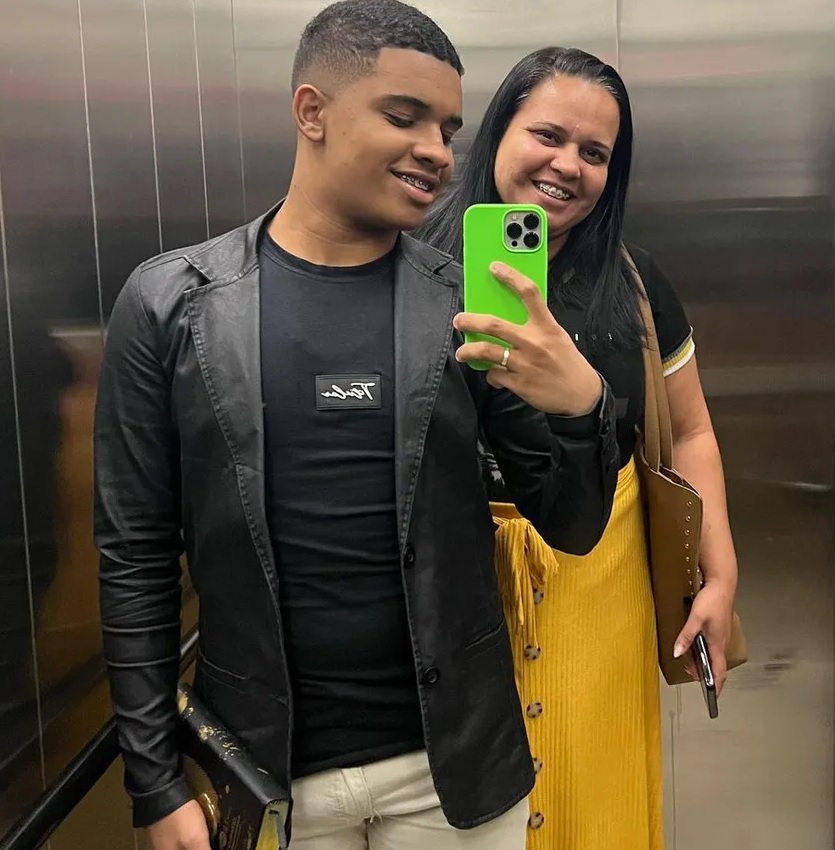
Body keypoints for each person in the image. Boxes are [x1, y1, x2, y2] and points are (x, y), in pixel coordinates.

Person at [93, 6, 620, 849]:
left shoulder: (465, 305)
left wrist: (584, 405)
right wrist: (153, 783)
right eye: (404, 117)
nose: (436, 151)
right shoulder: (171, 306)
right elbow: (135, 555)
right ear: (312, 111)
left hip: (452, 777)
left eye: (447, 130)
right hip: (266, 775)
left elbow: (575, 524)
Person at [418, 47, 740, 849]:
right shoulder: (408, 265)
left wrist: (720, 574)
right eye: (548, 135)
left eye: (595, 153)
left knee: (593, 801)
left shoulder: (634, 286)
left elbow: (691, 431)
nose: (568, 165)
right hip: (446, 590)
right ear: (499, 131)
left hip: (600, 584)